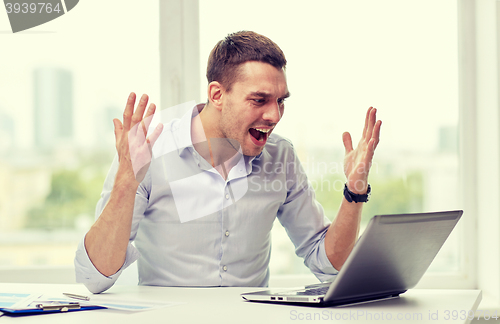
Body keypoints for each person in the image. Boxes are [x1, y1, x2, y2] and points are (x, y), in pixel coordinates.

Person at [75, 31, 382, 294]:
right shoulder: (148, 154)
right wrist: (127, 181)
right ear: (218, 94)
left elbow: (329, 266)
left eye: (281, 101)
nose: (274, 115)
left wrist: (355, 189)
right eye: (259, 100)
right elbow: (94, 278)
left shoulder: (281, 156)